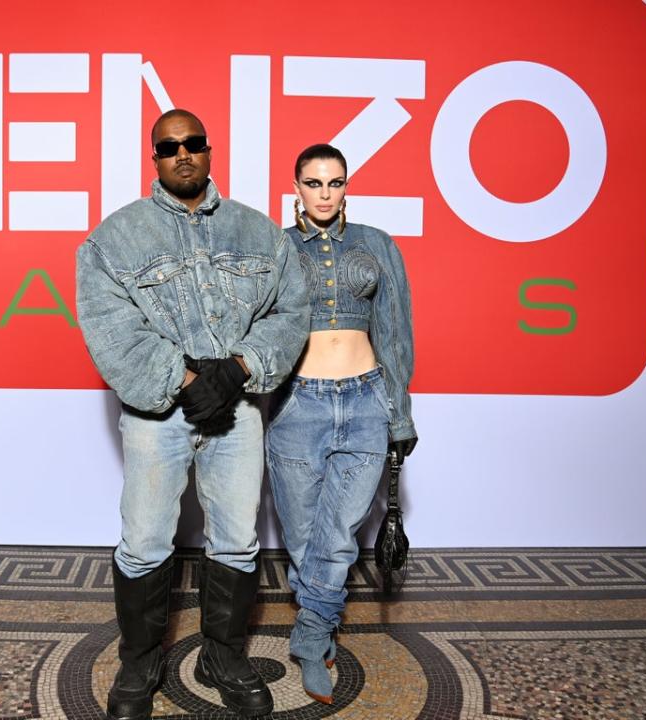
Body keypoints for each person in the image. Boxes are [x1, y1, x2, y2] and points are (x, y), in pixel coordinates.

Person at [75, 109, 309, 720]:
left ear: (209, 151)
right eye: (167, 146)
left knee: (236, 537)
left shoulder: (259, 233)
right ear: (153, 158)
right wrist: (185, 379)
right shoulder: (114, 238)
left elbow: (290, 314)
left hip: (237, 408)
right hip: (157, 417)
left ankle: (222, 656)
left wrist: (237, 371)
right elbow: (110, 329)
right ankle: (140, 660)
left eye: (193, 143)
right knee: (147, 537)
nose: (182, 153)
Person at [266, 143, 418, 704]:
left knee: (337, 535)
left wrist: (399, 413)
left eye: (334, 183)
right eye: (313, 183)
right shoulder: (277, 247)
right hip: (295, 406)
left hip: (364, 403)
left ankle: (309, 639)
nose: (324, 194)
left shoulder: (376, 244)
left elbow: (396, 332)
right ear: (297, 188)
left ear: (346, 185)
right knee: (305, 537)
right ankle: (322, 617)